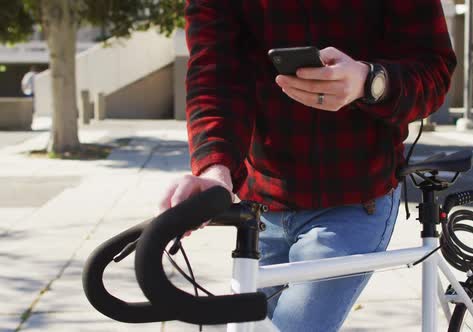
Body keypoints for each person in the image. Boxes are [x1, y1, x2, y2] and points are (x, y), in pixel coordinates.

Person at [158, 1, 456, 331]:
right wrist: (215, 170)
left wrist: (369, 82)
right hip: (260, 202)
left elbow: (435, 70)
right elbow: (215, 77)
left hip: (355, 194)